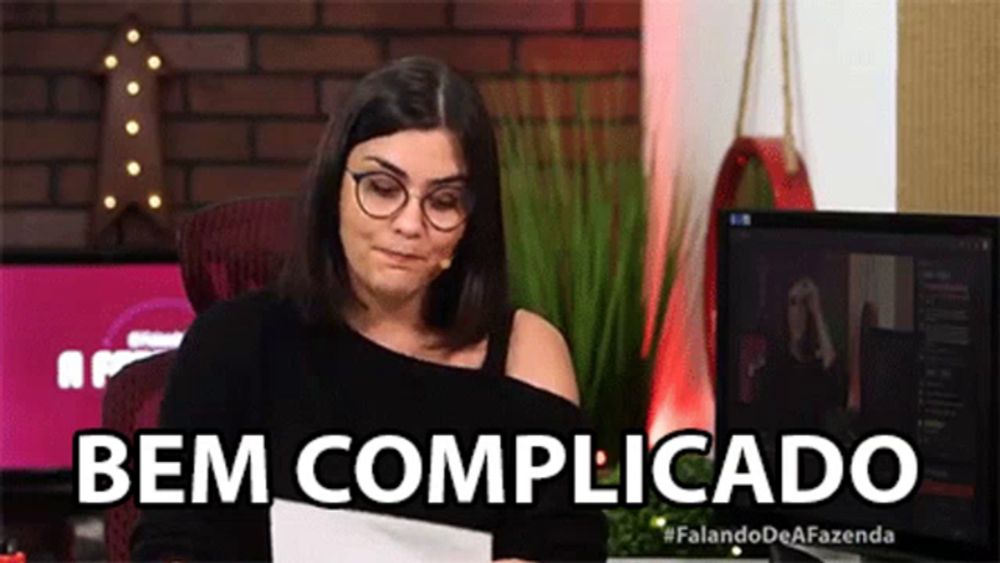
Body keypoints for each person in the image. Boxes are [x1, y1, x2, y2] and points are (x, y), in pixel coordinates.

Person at [131, 56, 607, 562]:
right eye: (382, 188)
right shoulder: (232, 342)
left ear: (471, 222)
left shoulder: (526, 352)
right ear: (334, 188)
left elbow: (566, 547)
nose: (409, 223)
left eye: (443, 201)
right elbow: (173, 542)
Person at [762, 276, 844, 431]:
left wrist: (817, 310)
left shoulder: (815, 363)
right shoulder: (775, 364)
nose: (799, 312)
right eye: (793, 303)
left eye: (804, 304)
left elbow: (834, 386)